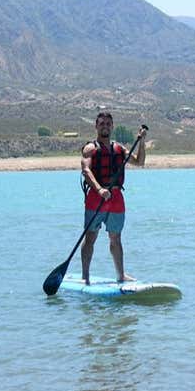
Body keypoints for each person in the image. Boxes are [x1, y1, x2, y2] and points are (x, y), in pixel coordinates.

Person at [80, 112, 147, 284]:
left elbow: (139, 162)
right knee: (91, 237)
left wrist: (142, 141)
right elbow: (86, 171)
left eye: (108, 124)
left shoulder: (119, 148)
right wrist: (100, 189)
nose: (105, 126)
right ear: (96, 126)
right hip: (96, 198)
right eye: (102, 123)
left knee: (116, 238)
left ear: (112, 126)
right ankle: (85, 277)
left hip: (116, 198)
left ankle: (120, 275)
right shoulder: (90, 148)